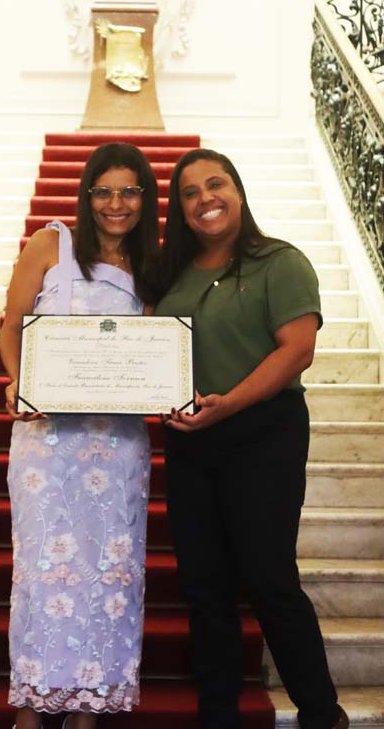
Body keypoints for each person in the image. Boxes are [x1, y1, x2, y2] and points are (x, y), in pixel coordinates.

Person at [153, 148, 348, 729]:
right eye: (190, 192)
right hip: (191, 440)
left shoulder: (280, 262)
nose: (205, 199)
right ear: (180, 209)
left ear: (237, 191)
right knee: (204, 586)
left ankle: (321, 714)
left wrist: (228, 405)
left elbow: (297, 351)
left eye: (216, 184)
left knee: (268, 578)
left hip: (264, 434)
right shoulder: (171, 275)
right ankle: (219, 716)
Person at [0, 143, 159, 729]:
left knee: (110, 572)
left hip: (116, 445)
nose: (116, 204)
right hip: (46, 439)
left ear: (145, 198)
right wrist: (18, 381)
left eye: (129, 191)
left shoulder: (153, 265)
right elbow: (12, 326)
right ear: (87, 194)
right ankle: (29, 707)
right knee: (43, 570)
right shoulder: (51, 244)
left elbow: (154, 352)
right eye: (104, 191)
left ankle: (88, 709)